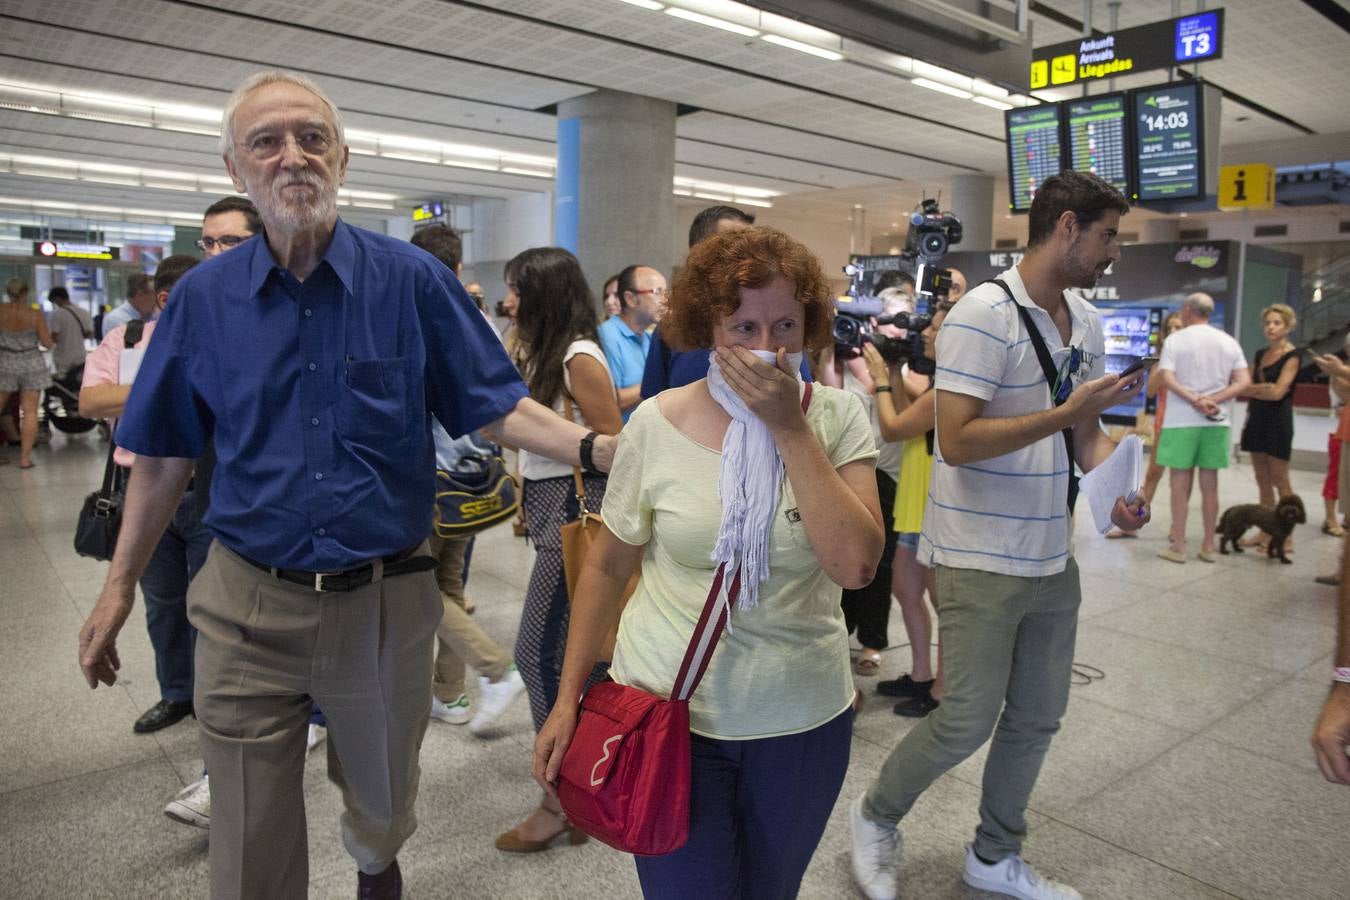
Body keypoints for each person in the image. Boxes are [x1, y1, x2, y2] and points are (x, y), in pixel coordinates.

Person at [75, 70, 615, 900]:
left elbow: (496, 408)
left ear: (343, 157)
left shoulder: (411, 281)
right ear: (236, 170)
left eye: (311, 138)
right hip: (246, 600)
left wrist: (599, 450)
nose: (293, 157)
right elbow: (164, 456)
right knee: (249, 835)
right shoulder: (204, 302)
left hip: (384, 601)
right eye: (267, 141)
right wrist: (116, 590)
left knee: (383, 806)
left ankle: (376, 870)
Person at [535, 225, 884, 899]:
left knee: (769, 889)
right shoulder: (656, 424)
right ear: (708, 327)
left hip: (799, 717)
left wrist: (789, 427)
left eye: (784, 324)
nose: (766, 348)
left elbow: (856, 567)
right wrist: (567, 700)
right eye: (743, 327)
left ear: (809, 325)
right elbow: (607, 569)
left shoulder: (838, 418)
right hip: (667, 712)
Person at [849, 170, 1149, 900]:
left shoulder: (1087, 318)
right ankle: (876, 816)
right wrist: (1062, 413)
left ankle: (994, 853)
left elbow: (1086, 435)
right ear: (1069, 226)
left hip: (1052, 553)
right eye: (1108, 235)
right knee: (965, 721)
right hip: (980, 556)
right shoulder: (984, 312)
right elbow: (955, 439)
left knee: (1039, 717)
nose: (1115, 252)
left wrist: (1118, 491)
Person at [495, 246, 623, 853]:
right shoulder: (544, 351)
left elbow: (613, 448)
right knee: (579, 654)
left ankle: (559, 796)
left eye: (518, 288)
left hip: (577, 511)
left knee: (540, 651)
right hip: (553, 509)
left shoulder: (579, 357)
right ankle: (583, 783)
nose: (510, 300)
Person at [80, 255, 209, 741]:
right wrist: (166, 388)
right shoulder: (127, 340)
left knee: (209, 604)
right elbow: (91, 402)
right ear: (164, 301)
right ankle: (176, 692)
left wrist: (135, 393)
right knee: (161, 602)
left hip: (205, 491)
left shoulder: (218, 340)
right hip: (142, 493)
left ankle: (209, 700)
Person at [409, 224, 525, 732]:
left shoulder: (412, 317)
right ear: (458, 268)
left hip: (427, 477)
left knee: (411, 587)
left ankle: (496, 669)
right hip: (472, 476)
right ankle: (450, 695)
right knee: (448, 583)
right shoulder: (479, 321)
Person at [862, 298, 960, 718]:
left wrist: (882, 379)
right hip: (915, 495)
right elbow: (906, 416)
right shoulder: (935, 381)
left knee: (943, 602)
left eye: (936, 329)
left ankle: (944, 687)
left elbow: (893, 425)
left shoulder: (953, 386)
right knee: (905, 588)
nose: (926, 335)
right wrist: (897, 373)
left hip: (936, 502)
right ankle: (921, 675)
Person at [817, 287, 912, 675]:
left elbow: (902, 416)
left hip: (887, 472)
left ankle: (872, 641)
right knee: (839, 561)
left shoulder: (902, 365)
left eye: (902, 320)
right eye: (888, 319)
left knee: (880, 564)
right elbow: (829, 399)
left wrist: (883, 371)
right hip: (841, 471)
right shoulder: (845, 355)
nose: (894, 330)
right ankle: (843, 633)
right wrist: (829, 351)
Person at [1154, 293, 1250, 564]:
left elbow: (1166, 377)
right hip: (1216, 422)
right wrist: (1213, 399)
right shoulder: (1228, 341)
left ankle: (1180, 546)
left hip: (1180, 422)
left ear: (1186, 311)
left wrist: (1193, 399)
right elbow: (1243, 381)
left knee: (1178, 485)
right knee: (1211, 486)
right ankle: (1208, 545)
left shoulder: (1175, 340)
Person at [640, 204, 758, 398]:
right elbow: (653, 404)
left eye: (753, 247)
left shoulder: (773, 327)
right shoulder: (672, 331)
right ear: (700, 254)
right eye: (734, 246)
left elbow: (801, 406)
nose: (749, 259)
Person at [1107, 311, 1183, 539]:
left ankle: (1176, 528)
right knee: (1153, 474)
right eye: (1170, 328)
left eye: (1179, 328)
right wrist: (1165, 361)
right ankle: (1133, 522)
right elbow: (1151, 390)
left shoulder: (1192, 355)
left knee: (1181, 478)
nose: (1174, 332)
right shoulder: (1162, 357)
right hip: (1164, 420)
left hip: (1186, 422)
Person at [1237, 303, 1301, 552]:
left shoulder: (1293, 356)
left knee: (1280, 480)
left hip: (1278, 422)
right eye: (1268, 323)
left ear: (1287, 327)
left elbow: (1278, 394)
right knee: (1262, 479)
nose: (1271, 327)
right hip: (1257, 420)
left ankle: (1286, 536)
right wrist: (1263, 388)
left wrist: (1261, 389)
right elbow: (1244, 387)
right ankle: (1266, 530)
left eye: (1277, 323)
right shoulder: (1260, 354)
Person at [598, 263, 665, 419]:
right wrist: (659, 381)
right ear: (630, 299)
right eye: (657, 292)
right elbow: (610, 401)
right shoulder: (607, 336)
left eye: (666, 293)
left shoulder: (650, 338)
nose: (665, 301)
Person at [0, 277, 54, 468]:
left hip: (5, 361)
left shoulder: (1, 311)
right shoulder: (34, 314)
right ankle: (24, 459)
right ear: (24, 293)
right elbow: (47, 343)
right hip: (31, 361)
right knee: (30, 412)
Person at [47, 286, 93, 378]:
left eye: (54, 302)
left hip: (63, 359)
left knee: (64, 387)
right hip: (80, 357)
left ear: (57, 299)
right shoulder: (84, 312)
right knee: (78, 386)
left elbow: (53, 337)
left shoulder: (56, 314)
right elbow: (90, 334)